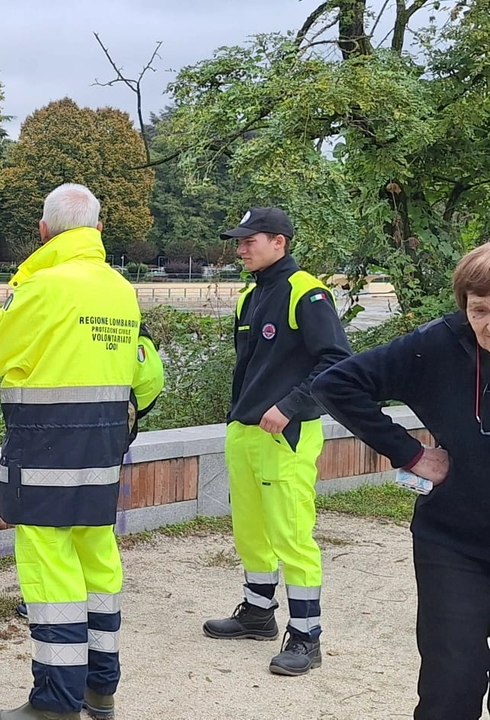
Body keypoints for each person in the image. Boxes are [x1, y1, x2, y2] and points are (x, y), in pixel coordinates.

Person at [0, 183, 164, 720]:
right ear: (100, 231)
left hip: (44, 442)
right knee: (98, 560)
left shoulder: (42, 288)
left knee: (50, 566)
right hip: (104, 443)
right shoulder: (121, 290)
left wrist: (15, 295)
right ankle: (100, 688)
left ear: (43, 233)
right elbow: (144, 372)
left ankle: (55, 701)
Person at [311, 244, 490, 719]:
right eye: (480, 311)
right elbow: (336, 384)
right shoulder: (436, 345)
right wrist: (410, 453)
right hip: (453, 541)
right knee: (453, 681)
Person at [202, 206, 352, 676]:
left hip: (286, 433)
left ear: (279, 243)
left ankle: (307, 637)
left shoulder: (306, 293)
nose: (241, 248)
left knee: (291, 534)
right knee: (250, 531)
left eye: (250, 240)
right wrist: (235, 418)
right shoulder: (252, 297)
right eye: (240, 241)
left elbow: (336, 362)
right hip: (246, 431)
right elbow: (247, 369)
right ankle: (258, 612)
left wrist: (289, 406)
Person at [13, 323, 166, 621]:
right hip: (113, 424)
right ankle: (90, 597)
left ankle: (60, 595)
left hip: (71, 423)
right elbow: (151, 378)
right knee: (94, 516)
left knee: (54, 516)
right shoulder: (126, 318)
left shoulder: (70, 311)